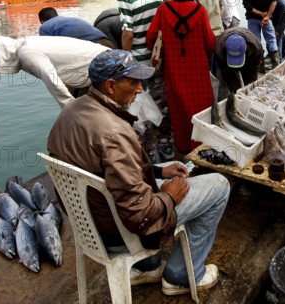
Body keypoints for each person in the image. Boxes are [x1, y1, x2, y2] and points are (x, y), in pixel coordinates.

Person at [47, 49, 230, 296]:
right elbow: (140, 215)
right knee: (219, 185)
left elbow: (106, 170)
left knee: (160, 182)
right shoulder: (115, 133)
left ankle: (147, 267)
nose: (141, 89)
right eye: (133, 82)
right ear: (111, 86)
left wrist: (158, 171)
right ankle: (181, 276)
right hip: (121, 233)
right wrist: (169, 196)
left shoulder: (71, 110)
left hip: (91, 225)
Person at [146, 0, 217, 154]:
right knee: (201, 107)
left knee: (178, 109)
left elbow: (152, 36)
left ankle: (184, 146)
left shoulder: (163, 9)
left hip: (174, 68)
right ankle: (202, 145)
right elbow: (209, 41)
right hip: (197, 68)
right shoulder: (199, 10)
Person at [112, 0, 174, 162]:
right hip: (160, 56)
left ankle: (149, 151)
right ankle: (167, 144)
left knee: (140, 103)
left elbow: (128, 33)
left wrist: (124, 57)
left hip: (140, 61)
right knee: (162, 100)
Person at [0, 35, 109, 108]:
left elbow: (53, 82)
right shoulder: (28, 42)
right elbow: (62, 69)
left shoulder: (26, 53)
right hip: (103, 62)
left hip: (105, 67)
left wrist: (71, 110)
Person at [241, 0, 281, 69]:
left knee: (256, 42)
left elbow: (247, 6)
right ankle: (276, 65)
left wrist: (260, 14)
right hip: (267, 20)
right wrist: (267, 16)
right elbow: (274, 1)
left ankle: (260, 66)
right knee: (271, 40)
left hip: (253, 19)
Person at [214, 28, 263, 97]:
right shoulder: (219, 50)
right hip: (224, 58)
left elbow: (252, 73)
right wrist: (237, 93)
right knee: (224, 83)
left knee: (249, 85)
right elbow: (228, 75)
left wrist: (249, 92)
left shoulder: (256, 48)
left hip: (249, 56)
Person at [38, 7, 116, 48]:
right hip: (106, 41)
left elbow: (50, 47)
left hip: (91, 46)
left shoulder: (44, 27)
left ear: (41, 21)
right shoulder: (70, 19)